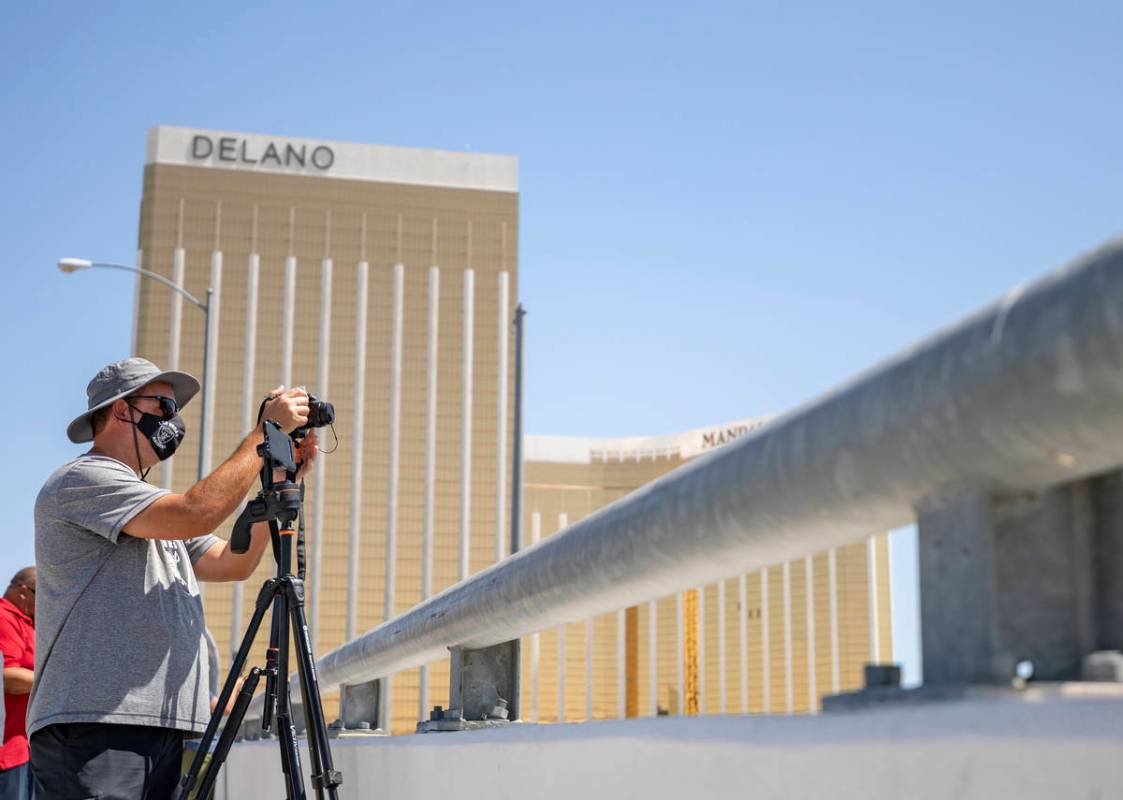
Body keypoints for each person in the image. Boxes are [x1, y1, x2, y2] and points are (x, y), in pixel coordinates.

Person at [29, 357, 317, 799]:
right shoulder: (83, 480)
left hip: (158, 726)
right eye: (163, 406)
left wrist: (280, 476)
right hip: (99, 724)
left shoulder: (148, 509)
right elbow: (196, 513)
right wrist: (263, 434)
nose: (173, 420)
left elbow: (233, 562)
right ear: (122, 409)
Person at [0, 567, 36, 800]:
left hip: (26, 749)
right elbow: (7, 677)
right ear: (23, 591)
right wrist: (58, 681)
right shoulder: (4, 618)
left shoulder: (27, 621)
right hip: (9, 750)